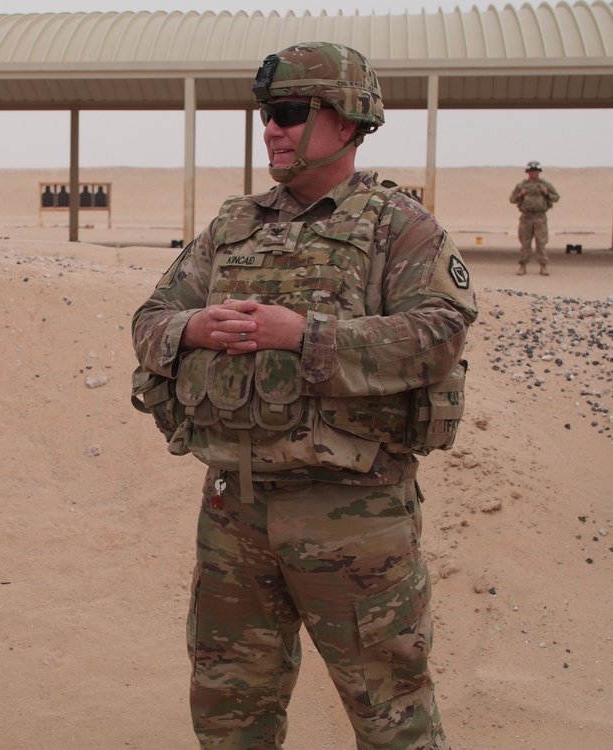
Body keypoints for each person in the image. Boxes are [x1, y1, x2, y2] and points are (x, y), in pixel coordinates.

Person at [131, 42, 478, 749]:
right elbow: (148, 321)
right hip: (236, 511)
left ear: (347, 123)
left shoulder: (399, 226)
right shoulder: (232, 227)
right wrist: (193, 326)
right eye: (266, 115)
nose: (272, 129)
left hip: (355, 515)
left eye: (290, 113)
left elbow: (439, 332)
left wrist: (305, 336)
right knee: (230, 711)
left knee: (391, 713)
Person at [509, 160, 560, 275]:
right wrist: (520, 194)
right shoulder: (522, 185)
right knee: (525, 242)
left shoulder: (545, 185)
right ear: (528, 172)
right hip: (526, 216)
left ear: (539, 172)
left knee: (541, 242)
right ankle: (523, 265)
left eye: (535, 171)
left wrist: (547, 193)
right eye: (531, 171)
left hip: (540, 217)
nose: (533, 173)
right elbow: (512, 199)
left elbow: (556, 197)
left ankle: (543, 266)